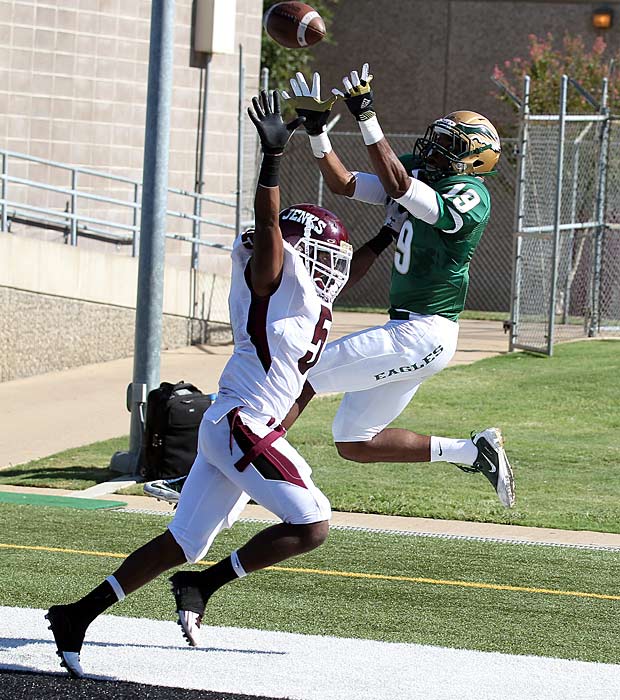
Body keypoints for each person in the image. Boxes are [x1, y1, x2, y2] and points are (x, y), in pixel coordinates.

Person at [45, 89, 374, 676]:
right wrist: (273, 159)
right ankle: (203, 585)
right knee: (314, 521)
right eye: (327, 251)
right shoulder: (273, 272)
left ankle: (78, 615)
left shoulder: (306, 296)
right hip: (239, 423)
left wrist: (396, 227)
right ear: (305, 250)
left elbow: (350, 272)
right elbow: (269, 224)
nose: (335, 262)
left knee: (183, 542)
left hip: (236, 427)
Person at [278, 65, 515, 508]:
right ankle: (471, 451)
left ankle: (242, 461)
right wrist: (317, 132)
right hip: (414, 334)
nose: (435, 149)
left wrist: (367, 116)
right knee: (354, 441)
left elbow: (400, 186)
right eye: (439, 138)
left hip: (423, 331)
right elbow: (344, 183)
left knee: (302, 373)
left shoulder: (471, 194)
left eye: (450, 145)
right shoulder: (418, 175)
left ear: (475, 159)